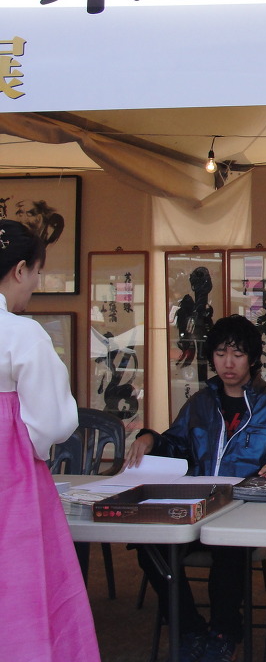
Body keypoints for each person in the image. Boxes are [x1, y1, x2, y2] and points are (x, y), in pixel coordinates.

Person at [125, 314, 266, 662]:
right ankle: (189, 627)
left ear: (253, 358)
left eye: (238, 354)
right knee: (149, 546)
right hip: (196, 507)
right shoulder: (200, 403)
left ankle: (224, 631)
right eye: (220, 353)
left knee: (228, 548)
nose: (228, 363)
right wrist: (151, 439)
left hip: (247, 512)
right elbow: (176, 447)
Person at [0, 219, 101, 662]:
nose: (36, 284)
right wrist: (32, 451)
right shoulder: (20, 333)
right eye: (37, 272)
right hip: (12, 478)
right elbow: (54, 421)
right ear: (20, 269)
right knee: (21, 584)